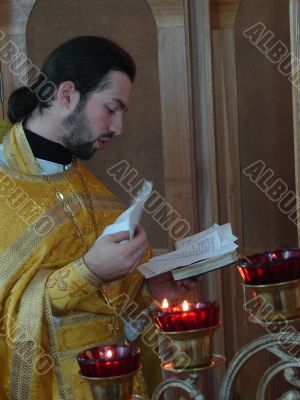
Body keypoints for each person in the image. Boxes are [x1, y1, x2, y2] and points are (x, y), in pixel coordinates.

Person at [0, 36, 199, 400]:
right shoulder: (5, 184)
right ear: (67, 94)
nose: (118, 127)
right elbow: (7, 308)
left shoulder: (94, 192)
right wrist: (89, 270)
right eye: (111, 108)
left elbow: (107, 306)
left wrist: (151, 286)